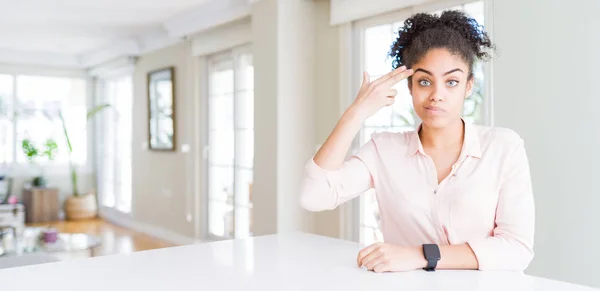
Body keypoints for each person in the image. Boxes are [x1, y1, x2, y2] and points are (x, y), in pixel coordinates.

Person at [299, 10, 534, 273]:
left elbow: (517, 249)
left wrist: (421, 255)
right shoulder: (384, 151)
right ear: (410, 86)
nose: (437, 95)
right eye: (424, 81)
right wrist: (356, 113)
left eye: (452, 82)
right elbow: (314, 196)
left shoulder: (504, 147)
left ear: (468, 86)